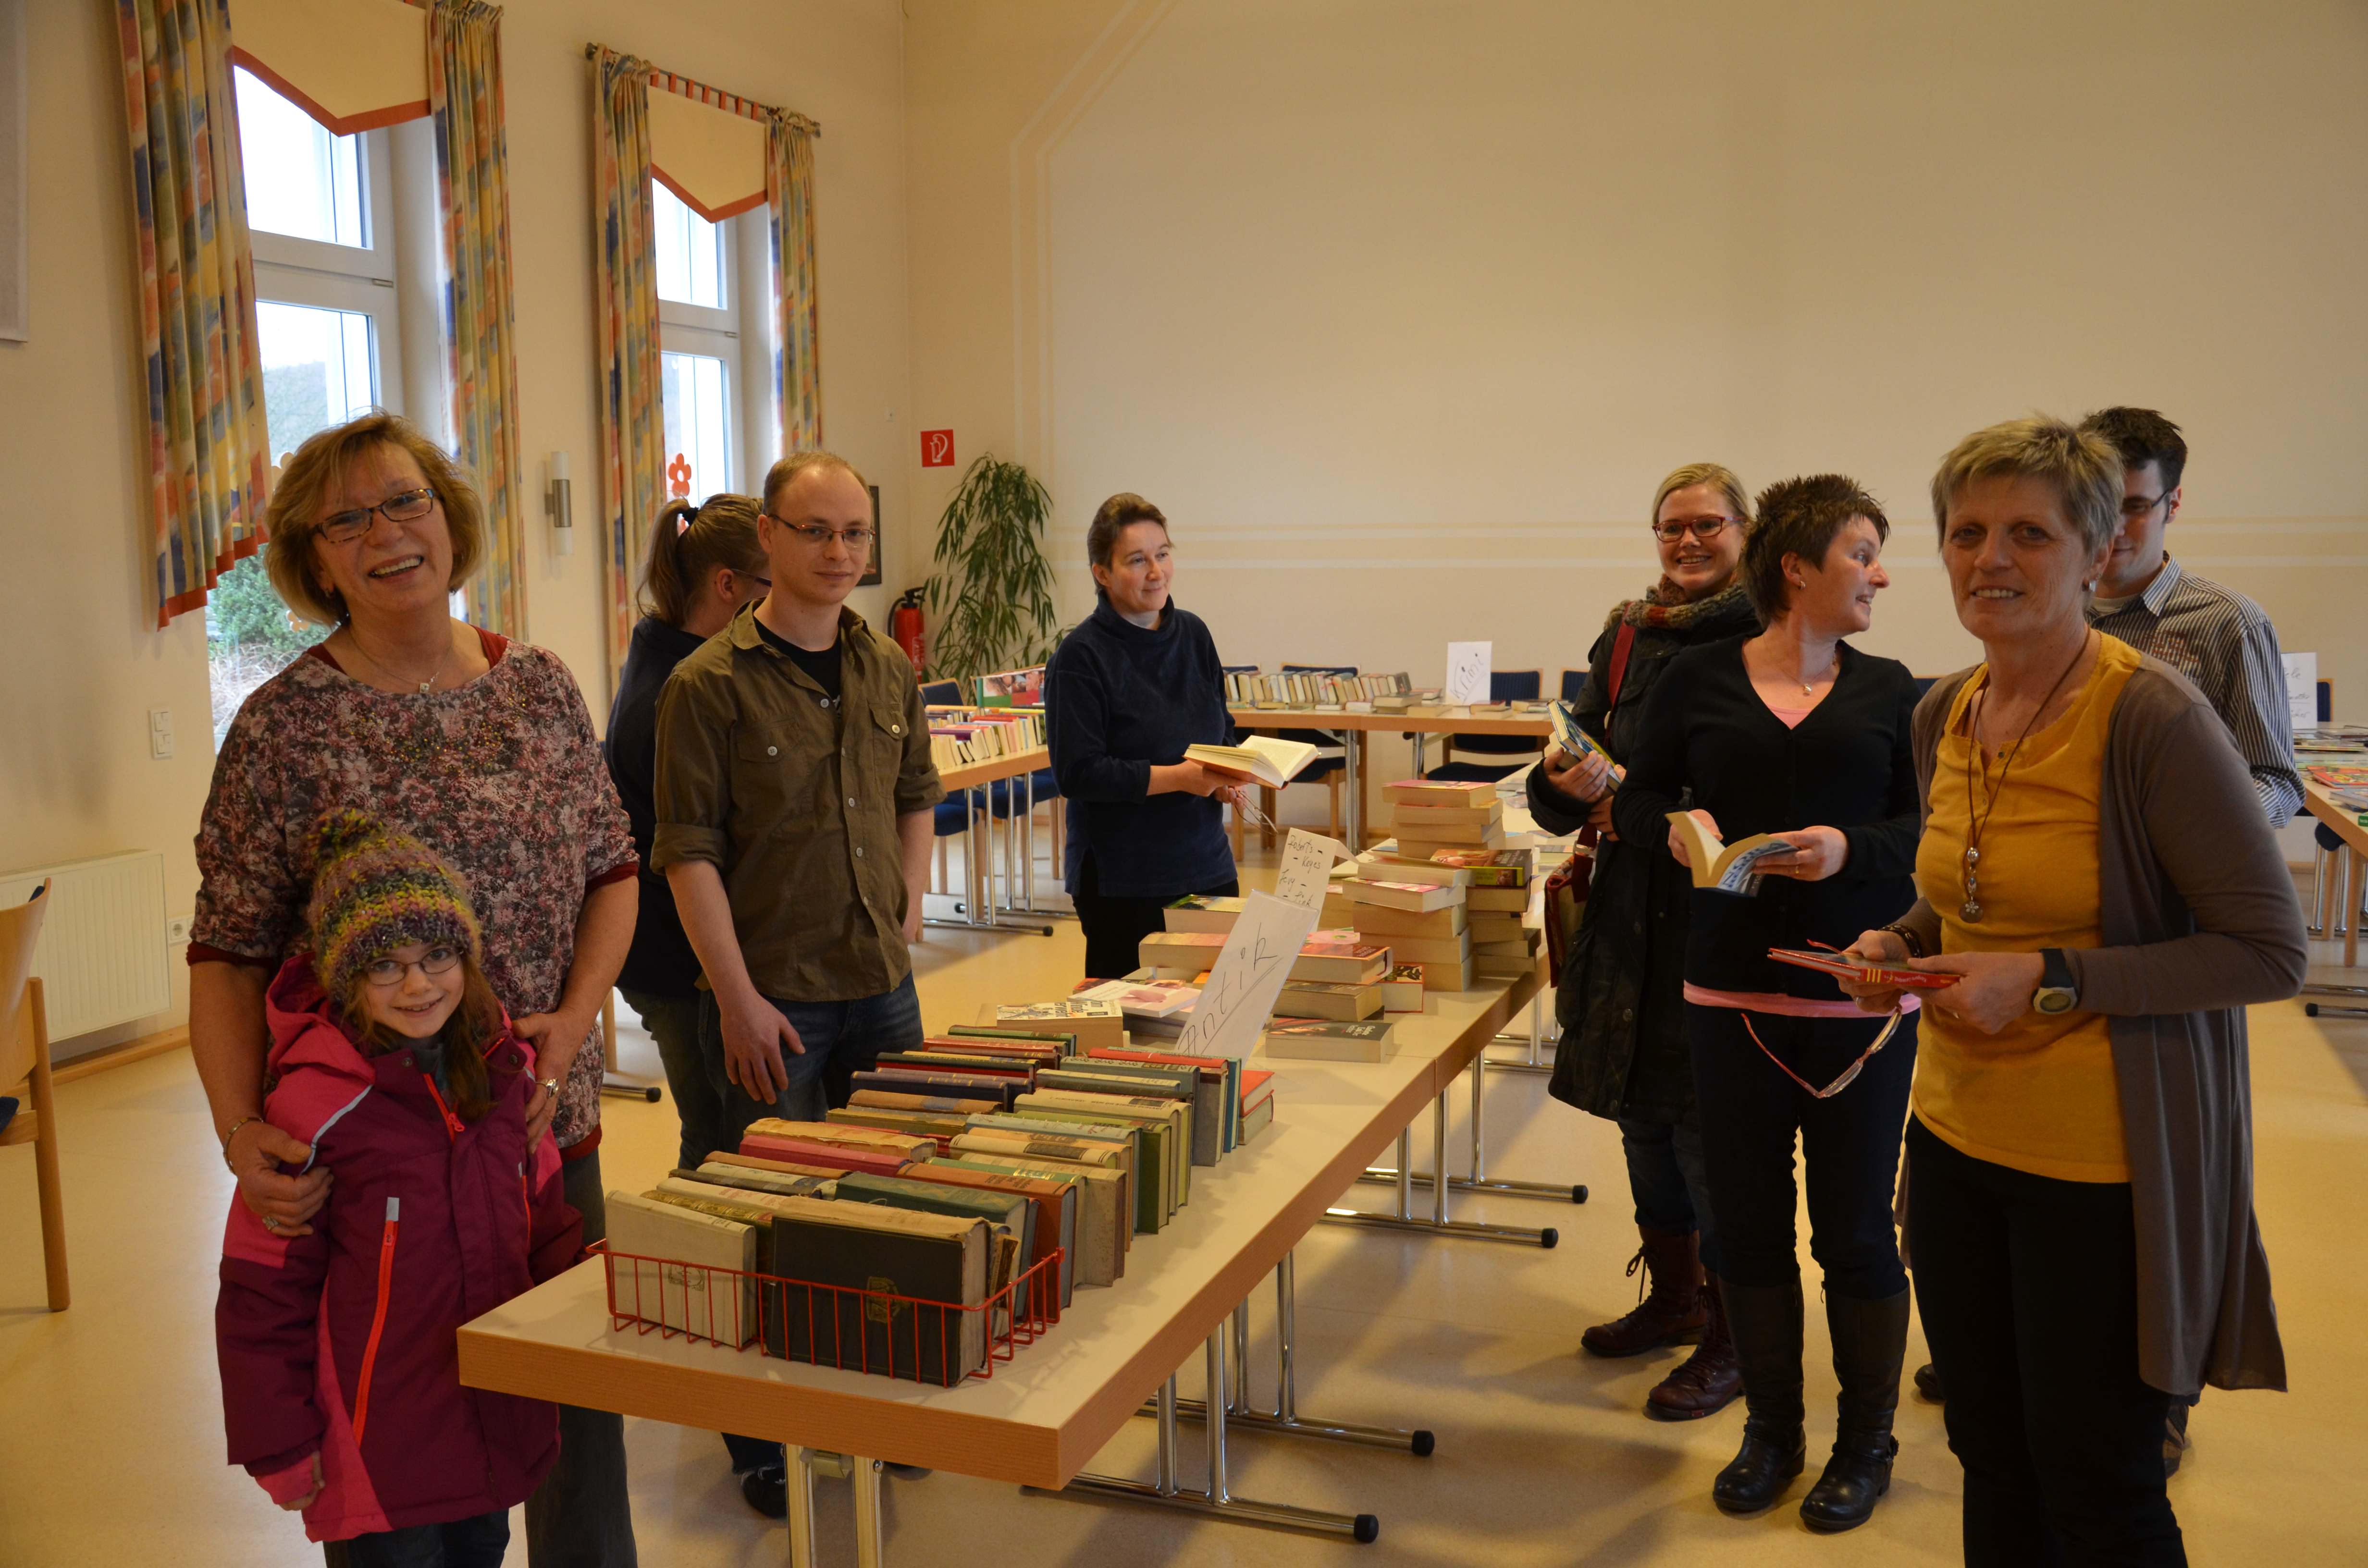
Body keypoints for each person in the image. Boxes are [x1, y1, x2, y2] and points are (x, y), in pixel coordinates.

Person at [1839, 415, 2303, 1565]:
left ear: (2096, 551)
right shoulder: (1944, 709)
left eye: (2029, 534)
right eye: (1967, 532)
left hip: (2103, 1170)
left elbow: (2266, 948)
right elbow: (1967, 900)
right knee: (1991, 1459)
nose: (1991, 558)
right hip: (1952, 1142)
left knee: (2099, 1489)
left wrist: (2050, 982)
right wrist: (1898, 944)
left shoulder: (2151, 714)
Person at [190, 412, 641, 1565]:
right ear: (315, 556)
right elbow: (228, 955)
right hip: (377, 1165)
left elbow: (614, 871)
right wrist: (243, 1133)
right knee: (401, 1454)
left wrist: (577, 1018)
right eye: (349, 519)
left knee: (572, 1432)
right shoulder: (284, 729)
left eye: (406, 502)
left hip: (540, 1134)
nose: (387, 534)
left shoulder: (537, 686)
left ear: (448, 515)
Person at [1614, 476, 1924, 1530]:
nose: (1880, 573)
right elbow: (1640, 796)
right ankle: (1773, 1434)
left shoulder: (1894, 690)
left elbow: (1927, 829)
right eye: (1861, 552)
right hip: (1729, 993)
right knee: (1744, 1228)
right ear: (1798, 568)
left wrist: (1849, 849)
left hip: (1857, 1002)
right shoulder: (1697, 679)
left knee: (1854, 1235)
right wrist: (1673, 832)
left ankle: (1863, 1443)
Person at [654, 451, 945, 1516]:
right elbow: (688, 854)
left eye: (856, 534)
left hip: (881, 984)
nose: (839, 554)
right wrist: (733, 999)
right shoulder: (708, 686)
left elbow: (916, 788)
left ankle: (878, 1403)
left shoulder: (885, 669)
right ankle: (764, 1432)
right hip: (772, 998)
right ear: (765, 540)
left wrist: (914, 898)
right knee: (765, 1215)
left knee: (899, 1199)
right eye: (815, 531)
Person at [217, 815, 581, 1566]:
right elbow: (261, 1293)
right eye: (386, 965)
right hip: (378, 1454)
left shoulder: (503, 1076)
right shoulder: (314, 1112)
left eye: (438, 955)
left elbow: (544, 1228)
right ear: (345, 976)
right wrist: (277, 1443)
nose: (418, 984)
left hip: (490, 1427)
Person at [1526, 463, 1760, 1421]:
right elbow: (1572, 746)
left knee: (1713, 1134)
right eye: (1671, 527)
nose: (1688, 542)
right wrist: (1559, 781)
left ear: (1746, 532)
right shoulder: (1627, 634)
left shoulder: (1767, 636)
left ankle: (1732, 1334)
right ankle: (1670, 1298)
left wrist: (1646, 808)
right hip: (1627, 915)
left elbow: (1770, 789)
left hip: (1717, 915)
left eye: (1708, 525)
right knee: (1642, 1120)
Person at [604, 492, 770, 1173]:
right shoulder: (672, 692)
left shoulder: (691, 661)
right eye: (775, 584)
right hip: (677, 958)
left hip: (693, 949)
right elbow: (694, 849)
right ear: (727, 587)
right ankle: (699, 1270)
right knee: (721, 1136)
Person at [1045, 493, 1249, 980]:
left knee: (1216, 1010)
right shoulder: (1079, 658)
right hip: (1124, 880)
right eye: (1137, 561)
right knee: (1137, 1035)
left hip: (1206, 864)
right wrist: (1180, 778)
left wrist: (1228, 775)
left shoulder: (1194, 635)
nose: (1156, 571)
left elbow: (1222, 728)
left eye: (1162, 554)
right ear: (1102, 573)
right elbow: (1079, 774)